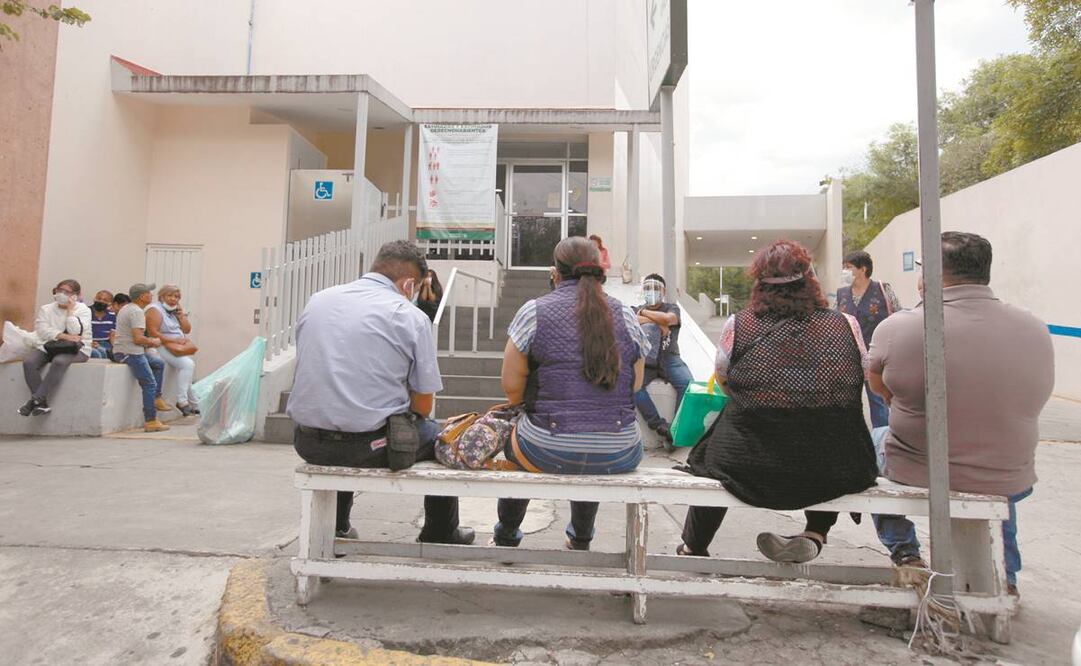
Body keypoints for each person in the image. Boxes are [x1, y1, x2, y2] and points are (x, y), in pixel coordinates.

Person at [868, 232, 1054, 596]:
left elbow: (880, 388)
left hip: (920, 469)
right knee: (991, 473)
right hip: (1009, 473)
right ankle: (1006, 579)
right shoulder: (1034, 327)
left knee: (869, 443)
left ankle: (906, 556)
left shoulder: (898, 328)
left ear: (931, 275)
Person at [678, 240, 878, 563]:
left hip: (752, 464)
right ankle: (815, 531)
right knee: (826, 431)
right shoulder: (846, 324)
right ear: (809, 281)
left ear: (759, 283)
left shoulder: (739, 325)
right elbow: (863, 374)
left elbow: (724, 376)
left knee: (711, 455)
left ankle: (694, 544)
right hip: (836, 467)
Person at [288, 240, 474, 546]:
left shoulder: (318, 300)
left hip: (309, 442)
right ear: (410, 283)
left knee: (349, 418)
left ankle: (336, 526)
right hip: (372, 448)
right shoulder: (410, 316)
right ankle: (440, 532)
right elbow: (423, 406)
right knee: (440, 437)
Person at [492, 236, 650, 551]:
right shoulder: (627, 314)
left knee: (516, 446)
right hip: (620, 449)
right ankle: (580, 538)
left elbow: (511, 387)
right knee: (591, 448)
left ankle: (506, 535)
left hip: (544, 447)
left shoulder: (535, 311)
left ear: (555, 273)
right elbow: (634, 385)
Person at [836, 251, 901, 429]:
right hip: (849, 358)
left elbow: (897, 315)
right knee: (848, 403)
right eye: (843, 267)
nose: (844, 271)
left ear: (863, 269)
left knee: (878, 402)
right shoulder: (841, 293)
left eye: (848, 267)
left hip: (877, 357)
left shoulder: (882, 289)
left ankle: (881, 446)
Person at [633, 273, 694, 443]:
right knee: (634, 386)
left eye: (655, 288)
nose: (651, 291)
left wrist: (644, 314)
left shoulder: (672, 307)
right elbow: (632, 319)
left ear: (663, 291)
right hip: (647, 361)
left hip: (670, 358)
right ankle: (659, 425)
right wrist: (659, 324)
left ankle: (677, 431)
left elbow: (670, 319)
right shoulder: (634, 308)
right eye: (647, 288)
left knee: (688, 384)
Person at [17, 279, 93, 416]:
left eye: (66, 292)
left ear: (75, 295)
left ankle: (34, 401)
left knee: (59, 361)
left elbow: (76, 332)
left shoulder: (83, 310)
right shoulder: (46, 309)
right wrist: (63, 336)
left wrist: (70, 311)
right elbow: (42, 330)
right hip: (50, 345)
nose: (61, 294)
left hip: (77, 349)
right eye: (59, 290)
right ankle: (41, 404)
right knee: (29, 362)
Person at [112, 284, 171, 432]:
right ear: (142, 297)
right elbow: (138, 339)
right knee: (149, 384)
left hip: (123, 350)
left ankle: (157, 398)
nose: (151, 295)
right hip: (131, 353)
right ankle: (150, 420)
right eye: (149, 293)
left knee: (158, 364)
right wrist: (153, 341)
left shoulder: (127, 308)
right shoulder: (137, 312)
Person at [145, 285, 200, 416]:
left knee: (187, 373)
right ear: (161, 296)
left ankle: (195, 404)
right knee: (188, 365)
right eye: (169, 296)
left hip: (178, 348)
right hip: (162, 346)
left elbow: (187, 330)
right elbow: (153, 332)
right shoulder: (155, 309)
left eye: (176, 297)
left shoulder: (174, 310)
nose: (173, 299)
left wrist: (181, 316)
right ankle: (182, 402)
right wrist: (173, 341)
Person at [89, 289, 116, 359]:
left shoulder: (112, 316)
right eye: (99, 298)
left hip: (105, 343)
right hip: (89, 342)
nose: (101, 301)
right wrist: (89, 342)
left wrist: (115, 348)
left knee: (106, 351)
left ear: (110, 303)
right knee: (99, 353)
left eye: (105, 300)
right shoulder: (87, 312)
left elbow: (112, 335)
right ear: (94, 299)